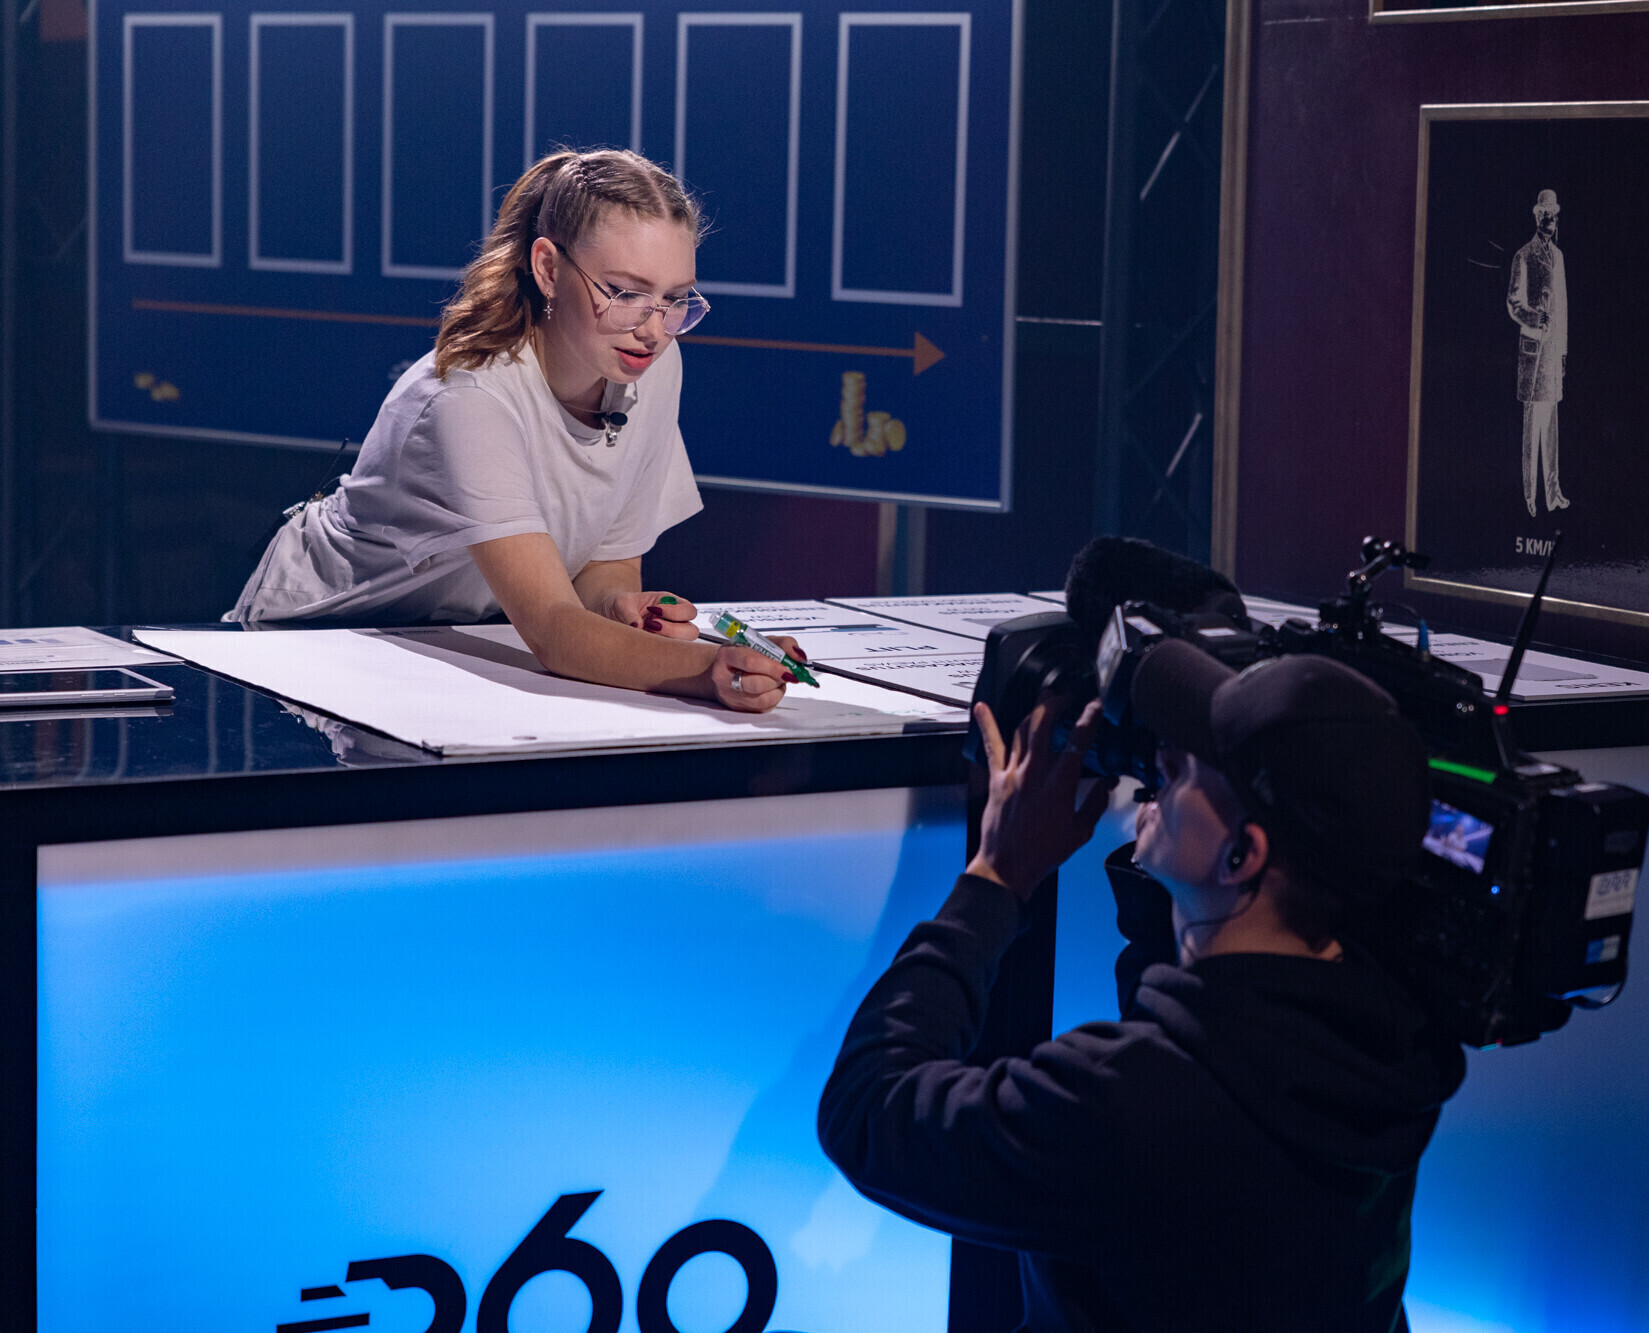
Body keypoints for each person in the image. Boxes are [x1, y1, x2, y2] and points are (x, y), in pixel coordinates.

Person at [818, 641, 1468, 1332]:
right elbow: (1209, 1017)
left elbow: (870, 1114)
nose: (1162, 758)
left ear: (1243, 854)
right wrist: (1180, 885)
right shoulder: (1389, 1037)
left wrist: (997, 878)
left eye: (1192, 765)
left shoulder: (1131, 1103)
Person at [228, 149, 799, 712]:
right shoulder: (469, 395)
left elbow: (604, 563)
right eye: (625, 293)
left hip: (453, 644)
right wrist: (707, 668)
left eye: (674, 299)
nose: (653, 329)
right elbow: (553, 629)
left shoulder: (650, 366)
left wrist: (619, 606)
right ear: (548, 268)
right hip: (308, 642)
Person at [1507, 188, 1569, 517]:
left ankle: (1553, 493)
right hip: (1534, 353)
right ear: (1536, 217)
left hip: (1553, 354)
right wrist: (1534, 317)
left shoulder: (1558, 257)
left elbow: (1563, 309)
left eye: (1553, 214)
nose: (1550, 219)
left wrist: (1563, 353)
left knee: (1552, 427)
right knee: (1533, 427)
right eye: (1545, 213)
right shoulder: (1524, 256)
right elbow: (1514, 303)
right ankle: (1530, 497)